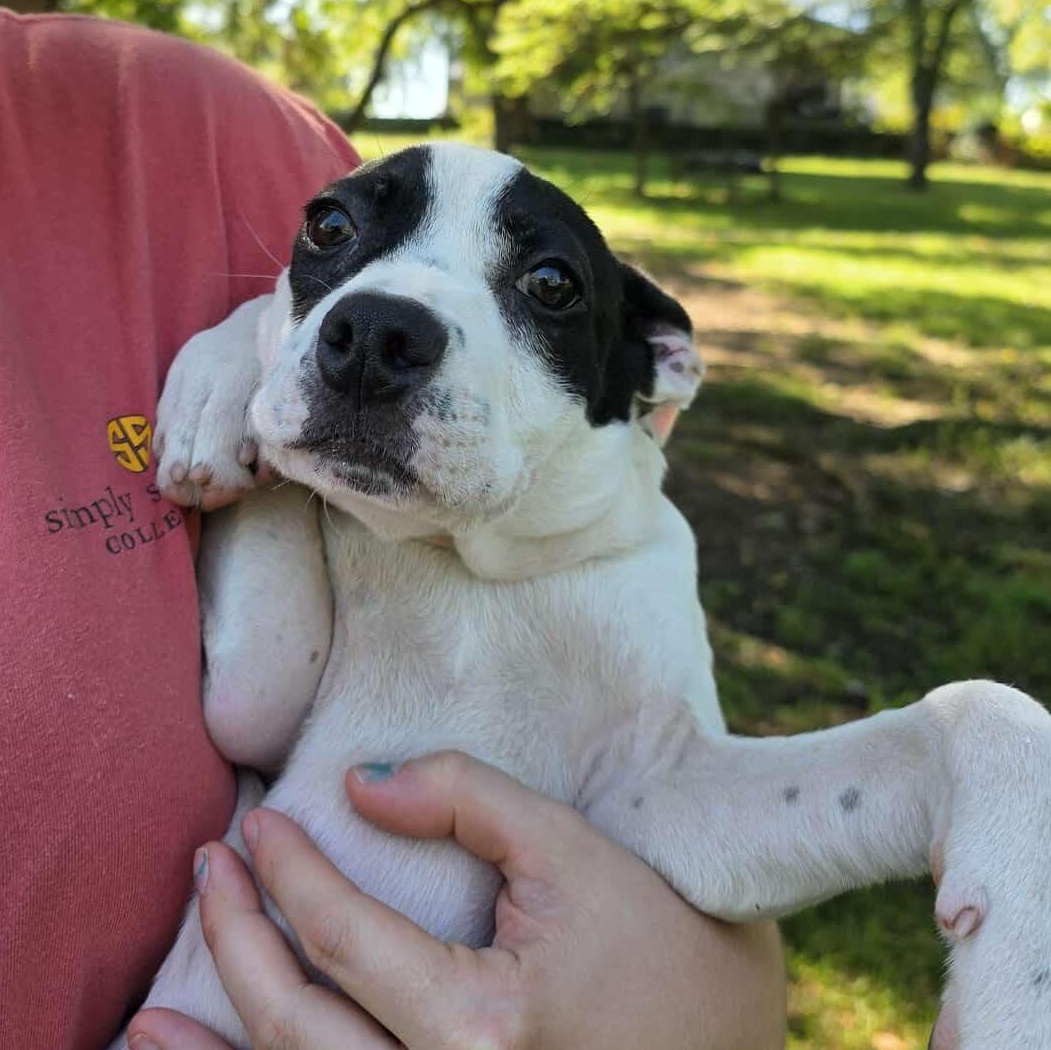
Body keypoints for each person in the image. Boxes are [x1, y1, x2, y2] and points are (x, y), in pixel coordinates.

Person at [0, 12, 786, 1050]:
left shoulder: (216, 137)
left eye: (544, 287)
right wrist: (260, 342)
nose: (371, 326)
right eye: (332, 236)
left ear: (659, 380)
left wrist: (703, 1014)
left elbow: (708, 949)